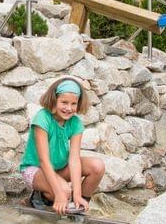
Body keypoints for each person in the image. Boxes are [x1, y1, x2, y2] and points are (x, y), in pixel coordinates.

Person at [19, 77, 105, 214]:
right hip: (36, 169)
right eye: (64, 102)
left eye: (73, 104)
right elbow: (44, 161)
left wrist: (77, 194)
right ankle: (40, 197)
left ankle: (78, 208)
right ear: (54, 100)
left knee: (97, 166)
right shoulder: (42, 119)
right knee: (64, 192)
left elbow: (74, 160)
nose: (68, 108)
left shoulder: (75, 123)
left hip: (58, 168)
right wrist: (59, 193)